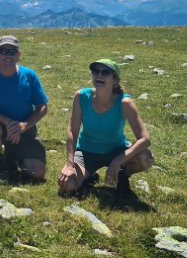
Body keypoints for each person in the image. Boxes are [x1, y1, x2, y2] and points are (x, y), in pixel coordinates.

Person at [58, 59, 154, 195]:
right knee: (66, 186)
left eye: (105, 72)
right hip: (86, 152)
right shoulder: (81, 97)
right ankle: (89, 175)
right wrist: (69, 165)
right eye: (95, 71)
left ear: (115, 80)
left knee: (146, 157)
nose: (99, 75)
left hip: (116, 151)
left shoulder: (125, 102)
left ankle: (123, 175)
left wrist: (118, 161)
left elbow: (145, 139)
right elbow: (72, 131)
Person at [0, 35, 48, 182]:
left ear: (18, 55)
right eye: (3, 51)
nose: (7, 56)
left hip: (25, 130)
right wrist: (8, 122)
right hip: (0, 128)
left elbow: (42, 107)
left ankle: (14, 156)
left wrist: (24, 126)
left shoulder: (29, 75)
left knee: (37, 173)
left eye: (12, 52)